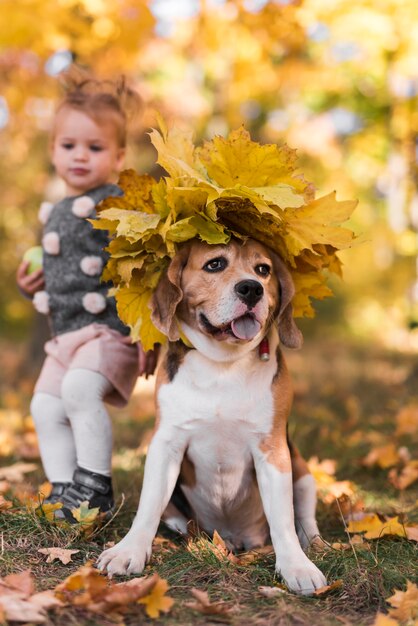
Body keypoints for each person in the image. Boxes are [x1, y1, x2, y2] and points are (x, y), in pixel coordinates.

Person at [16, 69, 156, 522]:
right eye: (68, 146)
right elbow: (57, 272)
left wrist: (150, 332)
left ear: (117, 157)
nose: (80, 156)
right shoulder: (54, 210)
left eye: (94, 148)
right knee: (45, 404)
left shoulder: (118, 206)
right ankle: (64, 491)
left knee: (79, 390)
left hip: (109, 333)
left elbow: (144, 271)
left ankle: (95, 488)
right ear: (54, 150)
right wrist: (32, 281)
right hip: (66, 336)